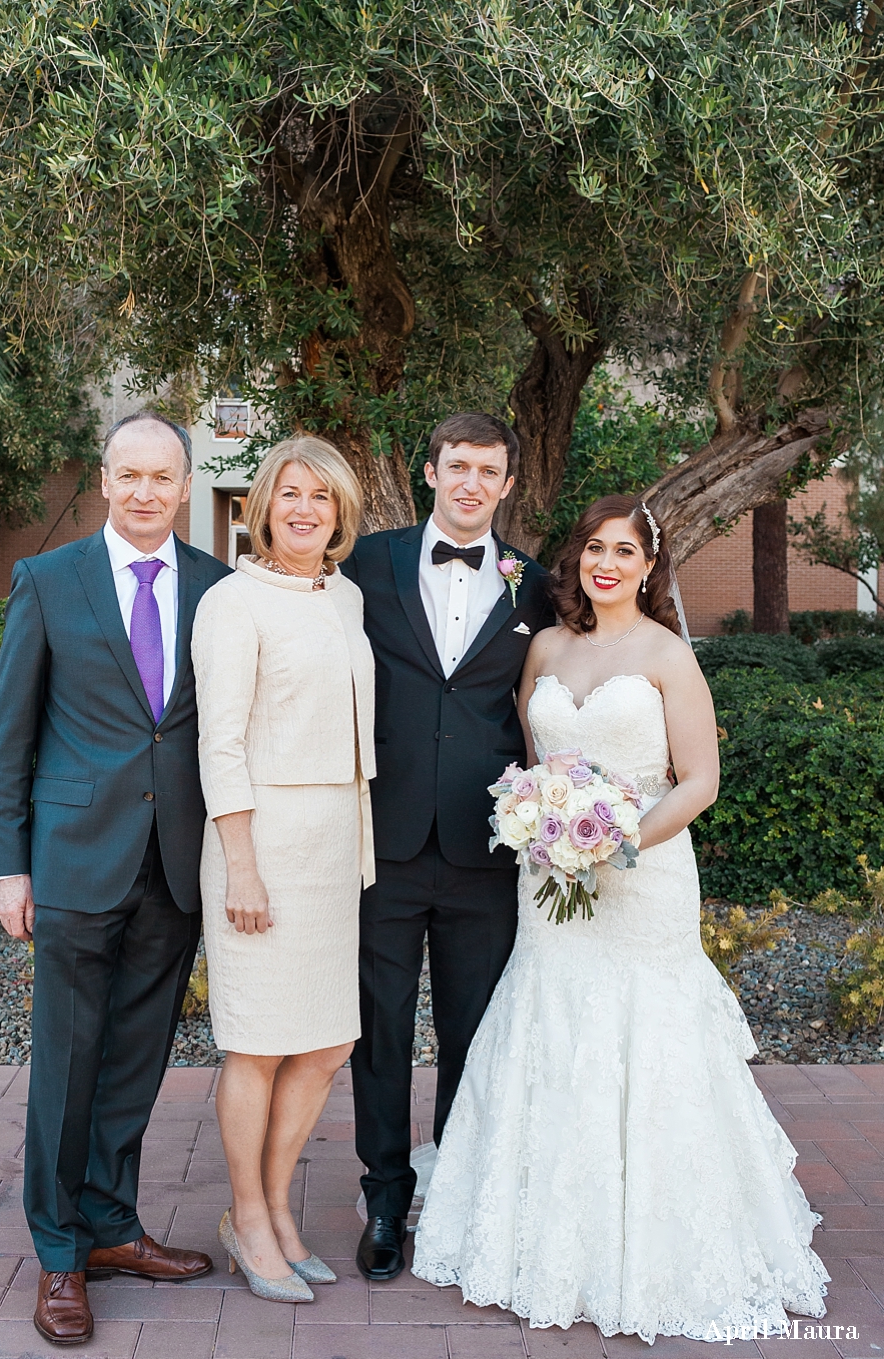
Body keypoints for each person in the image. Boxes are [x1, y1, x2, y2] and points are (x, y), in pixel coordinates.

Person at [413, 494, 829, 1341]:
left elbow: (697, 780)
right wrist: (546, 822)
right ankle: (544, 1238)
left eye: (625, 552)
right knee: (552, 1022)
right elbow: (531, 765)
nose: (607, 563)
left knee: (645, 1033)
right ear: (579, 558)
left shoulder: (668, 654)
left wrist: (616, 841)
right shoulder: (547, 649)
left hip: (642, 880)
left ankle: (655, 1244)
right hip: (551, 885)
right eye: (595, 548)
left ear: (648, 565)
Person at [0, 412, 229, 1347]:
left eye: (160, 477)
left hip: (174, 864)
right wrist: (13, 864)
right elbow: (10, 734)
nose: (143, 492)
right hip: (75, 859)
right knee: (66, 1065)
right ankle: (58, 1253)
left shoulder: (216, 586)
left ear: (182, 484)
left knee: (136, 1059)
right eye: (128, 474)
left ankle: (113, 1225)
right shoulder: (47, 579)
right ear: (103, 477)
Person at [341, 412, 553, 1282]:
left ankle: (459, 1192)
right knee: (379, 1031)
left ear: (507, 486)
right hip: (380, 842)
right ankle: (385, 1199)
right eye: (456, 465)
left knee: (474, 1032)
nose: (470, 482)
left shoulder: (533, 585)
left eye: (488, 471)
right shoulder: (369, 561)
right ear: (429, 471)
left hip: (484, 849)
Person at [192, 435, 376, 1304]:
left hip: (334, 842)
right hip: (259, 840)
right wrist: (241, 867)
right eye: (290, 494)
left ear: (340, 512)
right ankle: (249, 1215)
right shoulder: (233, 601)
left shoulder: (345, 596)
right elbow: (218, 740)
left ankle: (274, 1205)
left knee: (328, 1038)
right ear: (261, 503)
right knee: (258, 1042)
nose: (305, 510)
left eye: (322, 498)